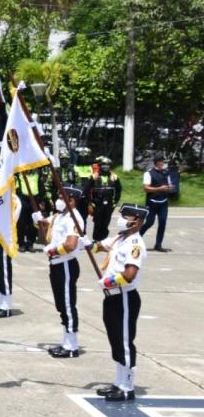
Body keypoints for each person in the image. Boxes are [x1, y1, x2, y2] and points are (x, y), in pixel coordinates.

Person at [87, 204, 148, 401]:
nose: (121, 218)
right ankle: (118, 382)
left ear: (137, 221)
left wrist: (108, 281)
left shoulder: (135, 244)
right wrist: (85, 242)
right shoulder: (120, 238)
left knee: (124, 342)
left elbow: (130, 274)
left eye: (126, 216)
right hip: (112, 297)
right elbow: (99, 246)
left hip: (125, 297)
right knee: (115, 341)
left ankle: (128, 387)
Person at [33, 186, 84, 358]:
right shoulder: (60, 216)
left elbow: (71, 245)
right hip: (56, 265)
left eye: (62, 198)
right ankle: (66, 342)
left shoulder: (74, 218)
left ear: (72, 200)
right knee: (61, 305)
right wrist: (38, 219)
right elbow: (46, 224)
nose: (59, 200)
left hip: (66, 265)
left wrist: (53, 250)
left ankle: (72, 346)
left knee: (68, 306)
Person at [140, 155, 173, 252]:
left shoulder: (166, 173)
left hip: (163, 202)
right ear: (157, 162)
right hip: (152, 202)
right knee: (149, 222)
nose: (163, 163)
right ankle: (137, 237)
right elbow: (146, 188)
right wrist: (159, 189)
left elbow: (170, 185)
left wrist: (170, 188)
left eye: (163, 161)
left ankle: (158, 244)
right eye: (161, 161)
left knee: (162, 222)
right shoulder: (149, 173)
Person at [85, 156, 122, 241]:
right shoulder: (94, 176)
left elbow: (119, 190)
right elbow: (87, 190)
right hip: (97, 203)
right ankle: (96, 240)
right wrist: (90, 203)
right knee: (97, 222)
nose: (106, 167)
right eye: (103, 165)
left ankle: (104, 240)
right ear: (100, 166)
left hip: (109, 203)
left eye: (107, 165)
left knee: (106, 222)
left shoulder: (114, 177)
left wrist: (115, 202)